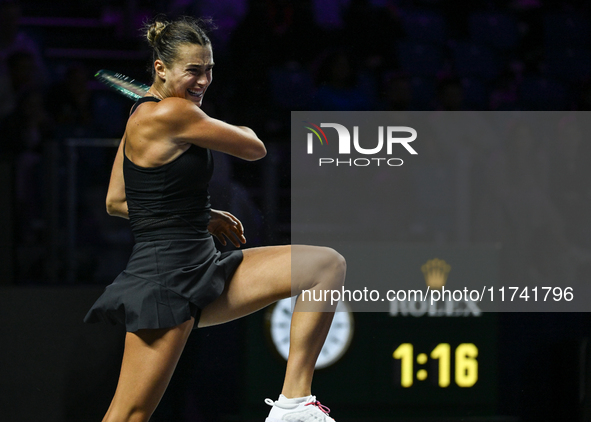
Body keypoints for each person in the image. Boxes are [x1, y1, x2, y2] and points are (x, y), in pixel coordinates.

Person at [83, 16, 346, 422]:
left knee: (324, 265)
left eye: (209, 69)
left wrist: (200, 215)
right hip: (165, 279)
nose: (204, 80)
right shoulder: (173, 114)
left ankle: (293, 404)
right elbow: (254, 147)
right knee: (129, 415)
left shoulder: (144, 116)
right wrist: (213, 122)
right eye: (193, 70)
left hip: (204, 264)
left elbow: (118, 200)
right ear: (160, 69)